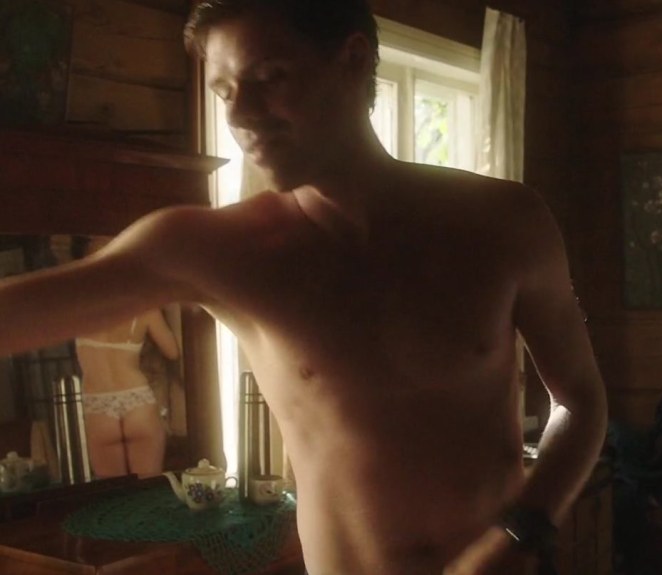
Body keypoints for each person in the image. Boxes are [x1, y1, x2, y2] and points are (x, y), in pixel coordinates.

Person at [0, 1, 608, 574]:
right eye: (224, 90)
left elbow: (580, 400)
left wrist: (518, 535)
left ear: (354, 60)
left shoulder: (505, 222)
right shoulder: (216, 251)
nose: (239, 115)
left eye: (270, 77)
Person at [72, 236, 180, 478]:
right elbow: (172, 351)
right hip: (136, 398)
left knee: (114, 492)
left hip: (98, 403)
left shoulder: (76, 305)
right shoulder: (144, 307)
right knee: (147, 489)